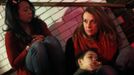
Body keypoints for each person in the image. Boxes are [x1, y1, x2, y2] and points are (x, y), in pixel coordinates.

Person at [4, 0, 65, 75]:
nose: (30, 12)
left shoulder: (38, 23)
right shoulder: (10, 35)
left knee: (50, 40)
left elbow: (52, 40)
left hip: (48, 57)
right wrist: (28, 48)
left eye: (30, 8)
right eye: (25, 10)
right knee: (37, 46)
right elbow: (14, 64)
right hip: (29, 67)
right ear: (15, 15)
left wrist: (43, 38)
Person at [65, 7, 119, 75]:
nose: (88, 26)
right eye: (85, 21)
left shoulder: (109, 39)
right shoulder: (72, 42)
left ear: (100, 22)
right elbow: (70, 71)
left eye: (93, 21)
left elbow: (114, 64)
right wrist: (85, 67)